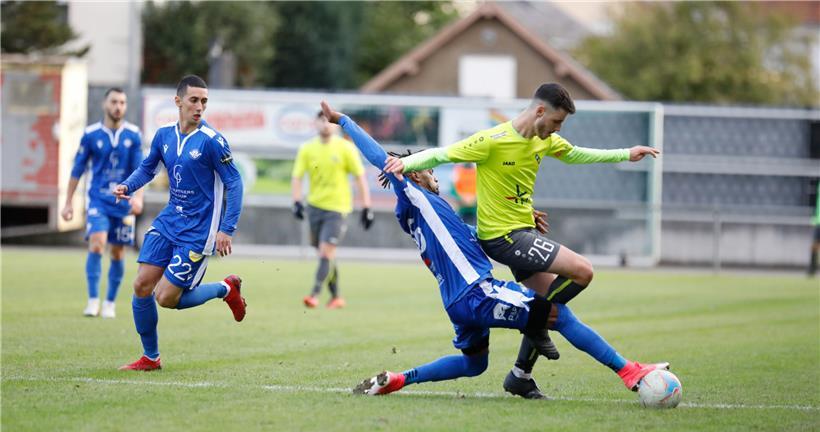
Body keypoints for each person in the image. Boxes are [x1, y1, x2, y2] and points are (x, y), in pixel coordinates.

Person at [319, 101, 668, 397]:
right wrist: (344, 121)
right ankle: (630, 372)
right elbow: (382, 158)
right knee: (558, 314)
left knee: (475, 364)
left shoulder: (434, 216)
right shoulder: (415, 197)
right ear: (413, 177)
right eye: (429, 172)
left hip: (456, 301)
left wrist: (522, 215)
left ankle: (399, 379)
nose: (435, 175)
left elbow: (477, 236)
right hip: (478, 293)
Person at [112, 75, 246, 371]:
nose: (200, 107)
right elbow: (148, 169)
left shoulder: (213, 142)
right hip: (170, 221)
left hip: (198, 231)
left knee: (166, 298)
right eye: (194, 100)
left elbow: (235, 184)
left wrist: (227, 229)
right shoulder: (163, 136)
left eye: (204, 101)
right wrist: (128, 186)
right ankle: (150, 357)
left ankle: (225, 289)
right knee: (141, 285)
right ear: (178, 101)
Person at [61, 87, 144, 319]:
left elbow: (141, 170)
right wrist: (68, 203)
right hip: (98, 199)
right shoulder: (90, 134)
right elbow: (77, 170)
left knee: (117, 252)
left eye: (122, 102)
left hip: (124, 203)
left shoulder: (134, 135)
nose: (118, 106)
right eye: (114, 102)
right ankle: (93, 300)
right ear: (105, 105)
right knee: (97, 243)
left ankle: (109, 303)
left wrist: (138, 198)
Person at [291, 110, 373, 309]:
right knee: (325, 254)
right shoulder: (307, 149)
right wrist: (296, 201)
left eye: (329, 121)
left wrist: (366, 206)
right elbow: (297, 177)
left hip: (338, 209)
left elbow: (359, 177)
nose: (326, 125)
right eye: (321, 121)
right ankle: (336, 296)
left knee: (326, 252)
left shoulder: (346, 148)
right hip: (314, 207)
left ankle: (314, 294)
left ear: (335, 126)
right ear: (315, 124)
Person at [809, 180, 819, 277]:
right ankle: (812, 268)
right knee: (814, 245)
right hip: (818, 221)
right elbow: (815, 202)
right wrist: (814, 217)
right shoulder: (817, 183)